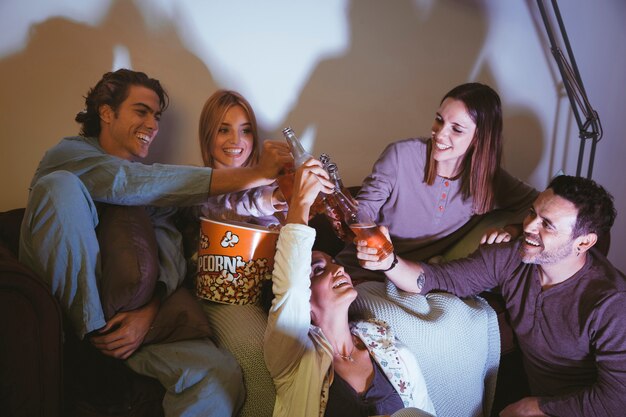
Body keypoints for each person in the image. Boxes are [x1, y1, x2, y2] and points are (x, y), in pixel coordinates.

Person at [18, 69, 292, 417]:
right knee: (61, 187)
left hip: (123, 323)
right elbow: (124, 183)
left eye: (156, 116)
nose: (153, 124)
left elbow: (168, 251)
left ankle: (102, 341)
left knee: (218, 375)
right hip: (64, 322)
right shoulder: (69, 155)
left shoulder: (153, 192)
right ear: (106, 112)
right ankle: (84, 346)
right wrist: (256, 174)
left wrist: (149, 312)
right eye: (141, 111)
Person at [356, 175, 626, 417]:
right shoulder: (514, 255)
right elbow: (439, 278)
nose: (530, 226)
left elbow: (616, 400)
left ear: (584, 242)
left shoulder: (611, 303)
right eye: (532, 213)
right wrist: (388, 262)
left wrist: (535, 406)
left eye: (547, 224)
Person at [264, 159, 436, 417]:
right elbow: (290, 288)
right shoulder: (294, 358)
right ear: (305, 302)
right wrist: (300, 201)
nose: (339, 269)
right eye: (319, 269)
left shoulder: (390, 349)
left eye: (335, 263)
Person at [337, 82, 538, 281]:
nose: (440, 134)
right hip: (360, 272)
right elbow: (363, 209)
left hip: (413, 283)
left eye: (457, 129)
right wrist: (369, 235)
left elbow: (536, 203)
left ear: (479, 138)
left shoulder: (490, 181)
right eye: (439, 120)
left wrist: (512, 230)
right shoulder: (401, 155)